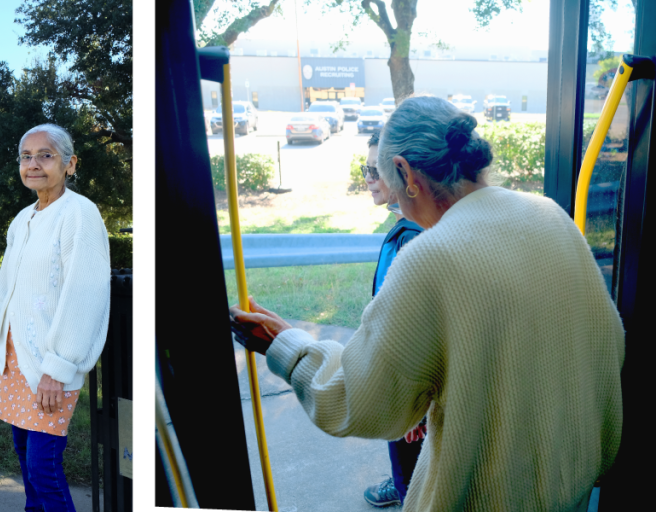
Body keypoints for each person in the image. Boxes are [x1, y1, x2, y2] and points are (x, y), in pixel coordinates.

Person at [230, 96, 623, 512]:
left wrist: (286, 345)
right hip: (571, 493)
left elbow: (359, 401)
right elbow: (608, 343)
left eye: (394, 192)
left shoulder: (429, 257)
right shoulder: (550, 216)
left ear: (405, 172)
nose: (400, 206)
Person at [0, 123, 111, 511]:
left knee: (43, 468)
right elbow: (6, 290)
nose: (33, 164)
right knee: (25, 458)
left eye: (45, 155)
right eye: (26, 156)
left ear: (70, 164)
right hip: (16, 360)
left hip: (52, 365)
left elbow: (85, 294)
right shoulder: (22, 219)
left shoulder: (80, 214)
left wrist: (59, 366)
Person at [360, 130, 427, 508]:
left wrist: (412, 403)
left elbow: (412, 331)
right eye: (365, 168)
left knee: (409, 460)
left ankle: (406, 495)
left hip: (406, 385)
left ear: (403, 172)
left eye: (374, 169)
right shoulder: (408, 226)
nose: (368, 178)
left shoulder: (412, 241)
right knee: (412, 457)